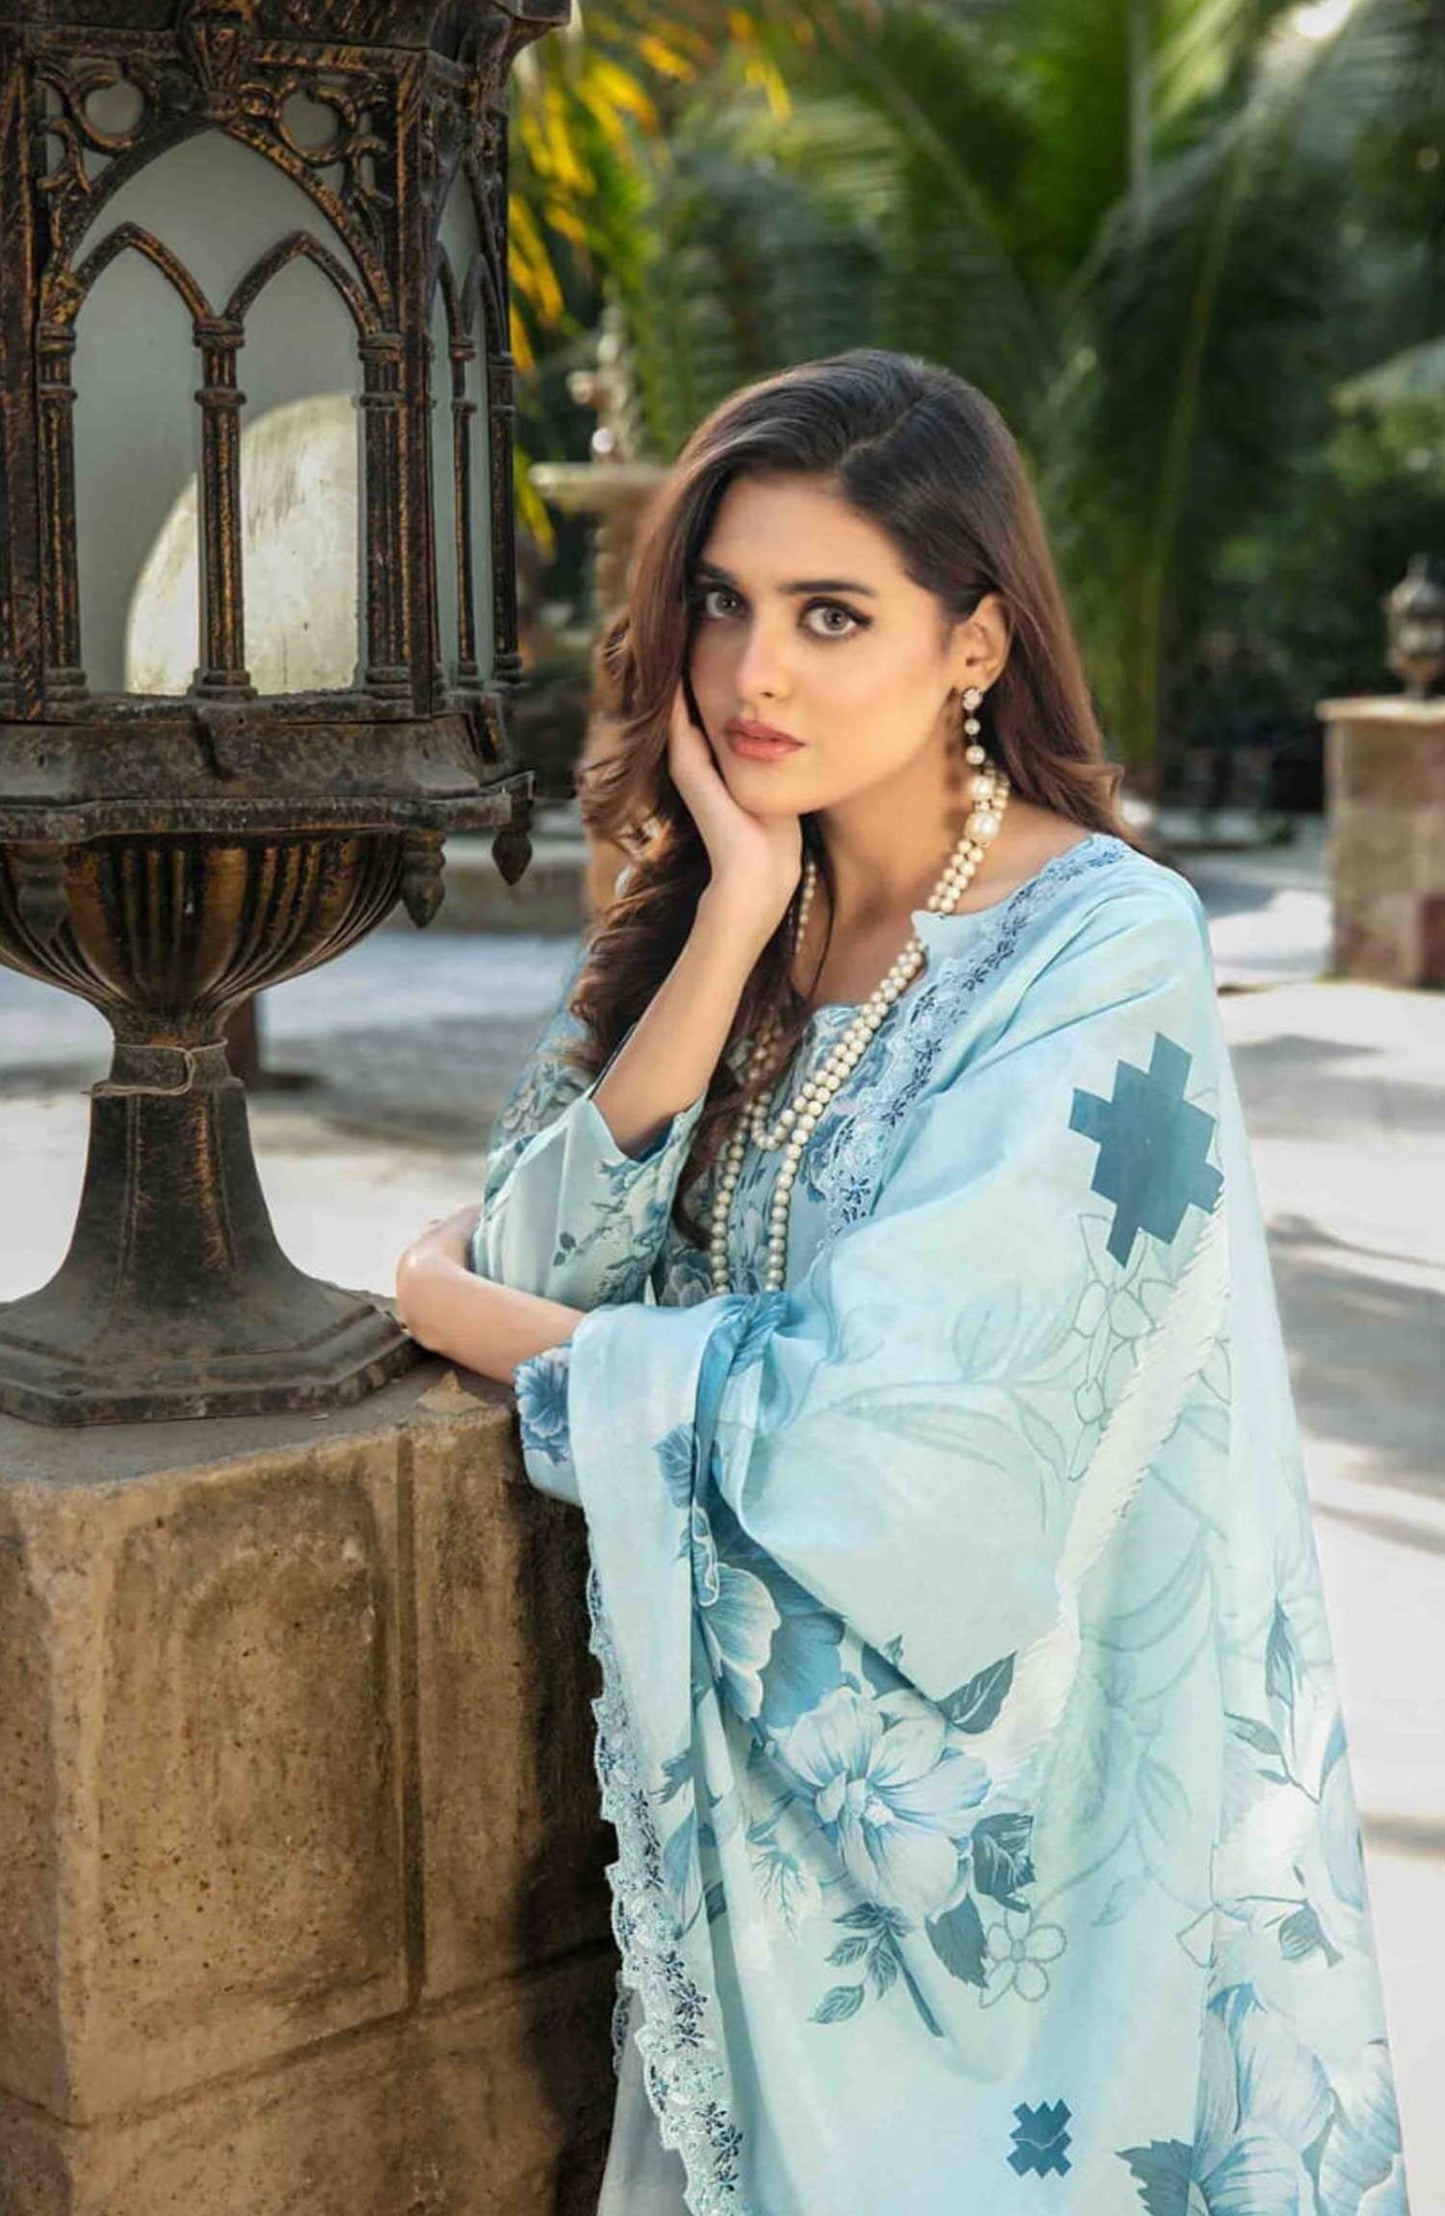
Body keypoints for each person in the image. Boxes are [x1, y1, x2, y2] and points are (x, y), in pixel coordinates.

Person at [394, 350, 1407, 2215]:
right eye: (722, 603)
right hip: (754, 1855)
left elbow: (914, 1444)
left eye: (831, 614)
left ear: (975, 643)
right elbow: (539, 1239)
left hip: (1032, 1847)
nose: (753, 674)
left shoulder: (1102, 951)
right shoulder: (720, 906)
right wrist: (722, 924)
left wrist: (513, 1335)